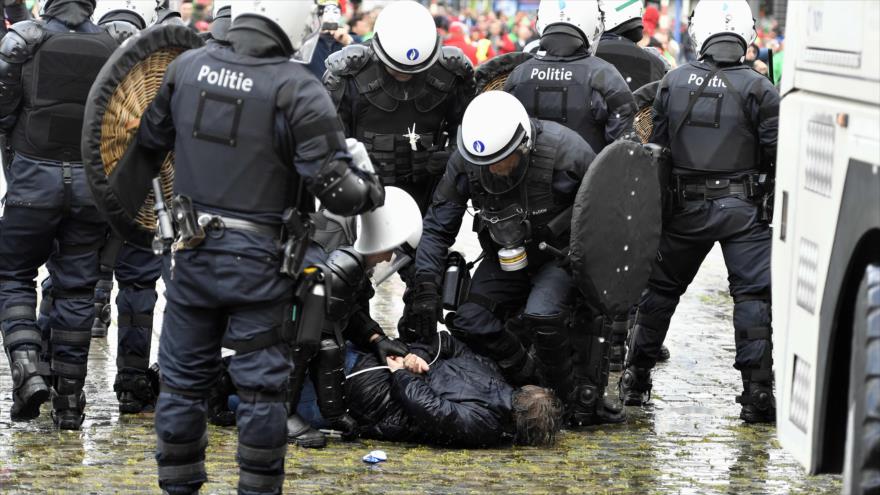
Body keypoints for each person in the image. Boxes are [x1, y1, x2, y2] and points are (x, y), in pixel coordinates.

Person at [130, 2, 384, 492]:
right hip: (263, 268)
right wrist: (366, 175)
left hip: (193, 255)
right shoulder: (297, 88)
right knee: (263, 394)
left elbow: (146, 140)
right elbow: (343, 196)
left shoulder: (186, 68)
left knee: (181, 387)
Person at [411, 91, 624, 426]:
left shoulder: (567, 152)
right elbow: (438, 227)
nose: (493, 170)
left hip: (560, 256)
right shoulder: (467, 160)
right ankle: (528, 376)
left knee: (543, 313)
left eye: (502, 161)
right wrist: (424, 285)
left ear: (523, 144)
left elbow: (611, 214)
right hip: (504, 255)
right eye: (485, 164)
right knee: (470, 320)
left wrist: (587, 264)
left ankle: (567, 399)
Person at [618, 0, 779, 425]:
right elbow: (776, 154)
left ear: (699, 34)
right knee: (753, 298)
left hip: (685, 206)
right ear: (745, 35)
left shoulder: (674, 80)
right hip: (743, 207)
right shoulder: (761, 89)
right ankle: (758, 394)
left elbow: (660, 148)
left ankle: (635, 379)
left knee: (660, 292)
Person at [0, 0, 125, 430]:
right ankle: (70, 402)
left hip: (33, 180)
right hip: (91, 187)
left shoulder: (24, 41)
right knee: (76, 290)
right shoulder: (113, 47)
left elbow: (2, 112)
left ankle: (28, 367)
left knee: (12, 275)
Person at [287, 186, 421, 449]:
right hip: (255, 342)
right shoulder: (331, 246)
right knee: (314, 342)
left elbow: (344, 311)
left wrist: (375, 337)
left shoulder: (351, 237)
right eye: (390, 248)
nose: (388, 258)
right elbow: (314, 327)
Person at [324, 0, 474, 215]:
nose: (405, 76)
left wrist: (451, 156)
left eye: (415, 71)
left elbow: (466, 126)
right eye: (395, 69)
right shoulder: (348, 73)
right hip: (363, 192)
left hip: (426, 191)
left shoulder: (451, 71)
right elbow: (331, 143)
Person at [593, 0, 671, 369]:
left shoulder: (585, 55)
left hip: (584, 172)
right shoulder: (656, 63)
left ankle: (595, 340)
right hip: (637, 176)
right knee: (635, 259)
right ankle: (622, 343)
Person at [346, 334, 563, 447]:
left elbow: (432, 407)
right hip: (371, 393)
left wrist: (409, 361)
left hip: (370, 373)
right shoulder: (487, 425)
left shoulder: (492, 376)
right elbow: (430, 406)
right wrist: (413, 361)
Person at [504, 0, 635, 156]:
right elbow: (623, 152)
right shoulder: (606, 76)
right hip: (589, 178)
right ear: (593, 22)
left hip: (528, 179)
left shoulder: (518, 75)